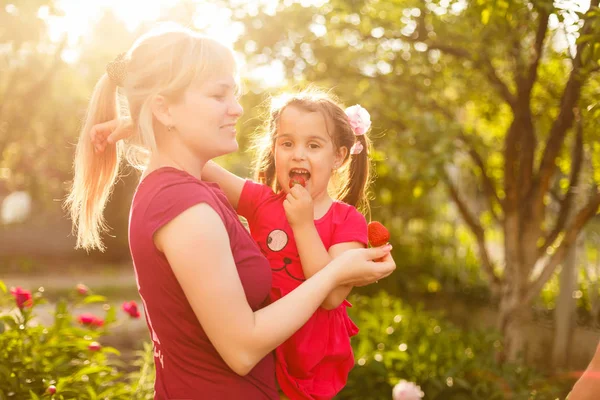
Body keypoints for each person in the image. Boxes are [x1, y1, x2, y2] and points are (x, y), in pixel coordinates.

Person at [67, 24, 395, 399]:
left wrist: (141, 125)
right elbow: (242, 350)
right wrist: (339, 270)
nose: (237, 108)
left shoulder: (182, 189)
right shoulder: (184, 207)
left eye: (234, 94)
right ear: (165, 108)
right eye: (219, 94)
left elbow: (174, 148)